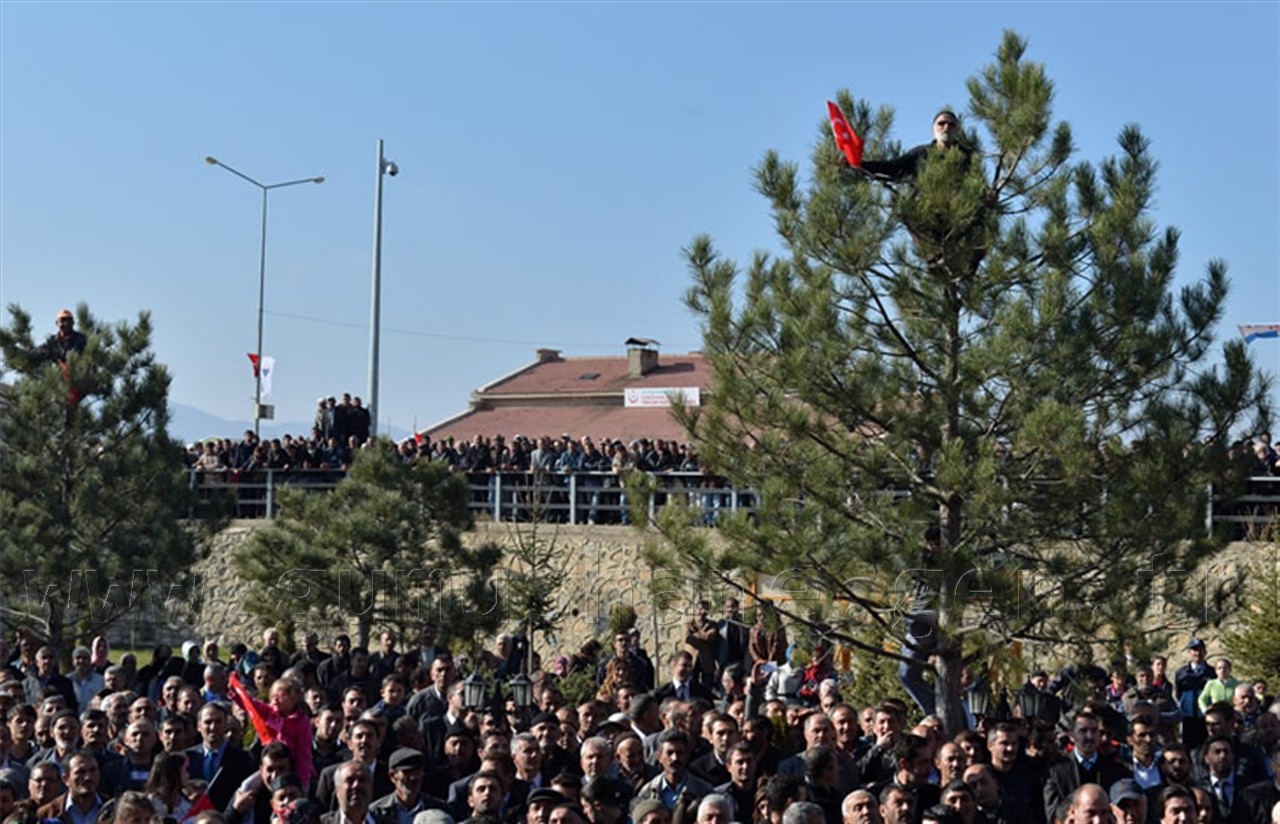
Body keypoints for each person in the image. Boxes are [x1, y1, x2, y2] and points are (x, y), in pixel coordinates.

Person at [861, 111, 971, 182]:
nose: (946, 127)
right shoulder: (920, 154)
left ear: (957, 130)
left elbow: (978, 185)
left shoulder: (968, 156)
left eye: (951, 124)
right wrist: (861, 164)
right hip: (926, 215)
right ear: (932, 130)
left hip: (961, 217)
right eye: (941, 124)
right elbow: (892, 167)